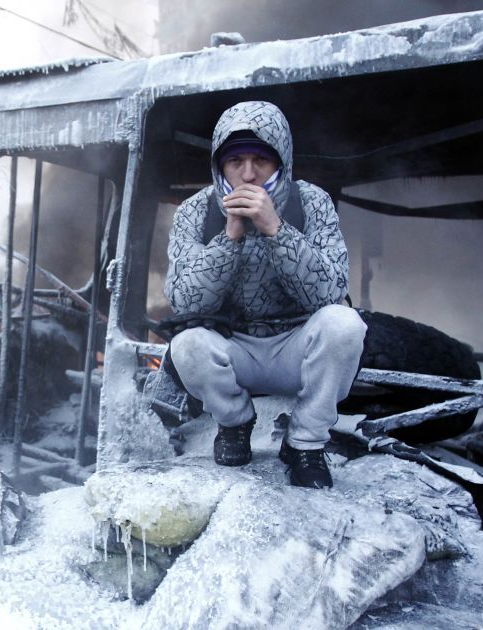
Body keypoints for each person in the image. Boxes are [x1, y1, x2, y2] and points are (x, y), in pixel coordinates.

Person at [163, 101, 366, 489]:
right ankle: (235, 424)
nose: (248, 174)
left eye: (261, 160)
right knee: (187, 345)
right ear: (219, 164)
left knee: (344, 324)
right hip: (234, 347)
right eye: (235, 161)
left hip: (296, 345)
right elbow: (185, 302)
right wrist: (230, 236)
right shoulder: (195, 211)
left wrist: (276, 228)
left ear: (282, 161)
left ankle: (305, 444)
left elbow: (330, 292)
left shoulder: (311, 201)